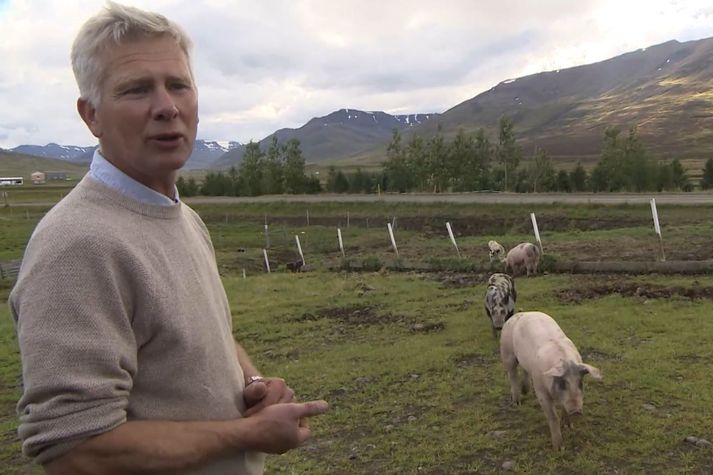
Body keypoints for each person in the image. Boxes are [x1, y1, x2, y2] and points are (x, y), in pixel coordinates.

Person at [9, 2, 328, 474]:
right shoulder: (77, 245)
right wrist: (248, 433)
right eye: (137, 89)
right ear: (91, 115)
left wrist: (253, 380)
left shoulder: (182, 217)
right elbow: (75, 449)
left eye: (178, 85)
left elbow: (199, 336)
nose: (167, 107)